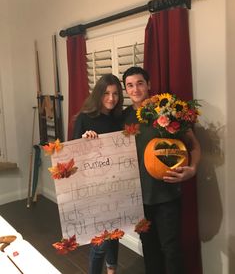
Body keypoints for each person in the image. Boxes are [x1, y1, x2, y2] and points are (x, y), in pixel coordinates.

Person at [122, 66, 201, 274]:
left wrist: (192, 169)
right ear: (126, 90)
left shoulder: (169, 111)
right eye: (130, 85)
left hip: (166, 195)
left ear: (149, 85)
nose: (135, 89)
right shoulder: (122, 119)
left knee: (172, 250)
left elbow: (193, 145)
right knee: (149, 249)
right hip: (138, 200)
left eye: (139, 83)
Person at [73, 73, 124, 274]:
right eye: (106, 93)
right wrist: (85, 140)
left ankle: (112, 271)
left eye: (115, 94)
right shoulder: (85, 118)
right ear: (98, 95)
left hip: (116, 185)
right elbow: (73, 154)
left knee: (115, 233)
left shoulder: (119, 119)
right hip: (94, 189)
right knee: (100, 240)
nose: (111, 98)